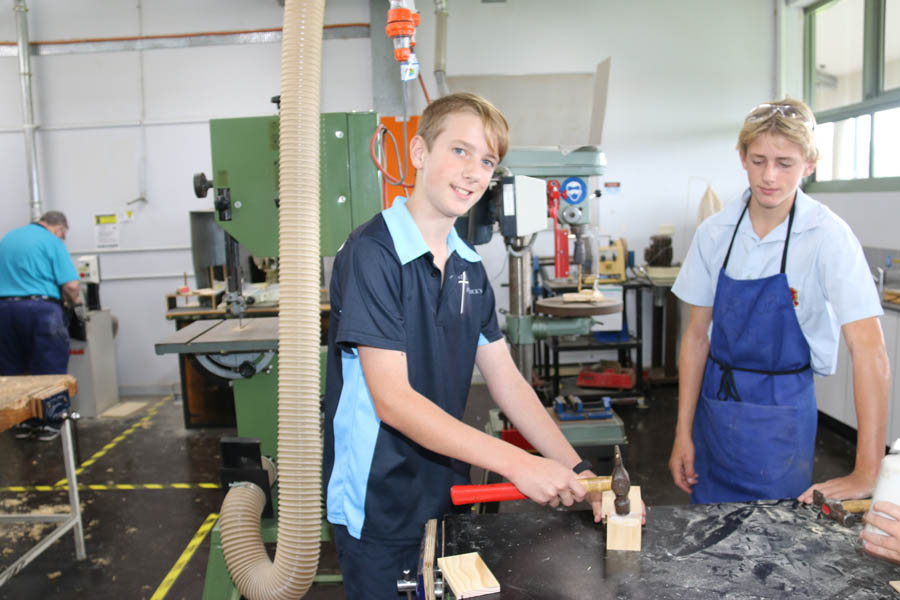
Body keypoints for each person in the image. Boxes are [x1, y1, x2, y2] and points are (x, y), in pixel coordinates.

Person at [323, 93, 607, 599]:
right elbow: (393, 400)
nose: (474, 172)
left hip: (447, 493)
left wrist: (578, 470)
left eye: (487, 160)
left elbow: (507, 381)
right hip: (380, 499)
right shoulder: (372, 254)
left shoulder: (469, 267)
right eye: (460, 150)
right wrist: (518, 463)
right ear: (419, 152)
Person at [668, 98, 890, 505]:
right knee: (706, 531)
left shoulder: (828, 237)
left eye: (785, 163)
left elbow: (870, 352)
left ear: (809, 164)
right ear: (742, 157)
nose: (769, 176)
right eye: (758, 161)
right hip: (716, 407)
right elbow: (696, 337)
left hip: (782, 412)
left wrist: (867, 470)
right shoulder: (714, 233)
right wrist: (683, 432)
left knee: (776, 532)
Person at [0, 211, 84, 441]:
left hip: (4, 311)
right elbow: (72, 286)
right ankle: (50, 422)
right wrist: (77, 306)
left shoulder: (7, 238)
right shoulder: (51, 241)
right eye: (63, 234)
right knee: (49, 368)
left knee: (12, 370)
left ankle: (20, 422)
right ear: (60, 228)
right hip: (41, 311)